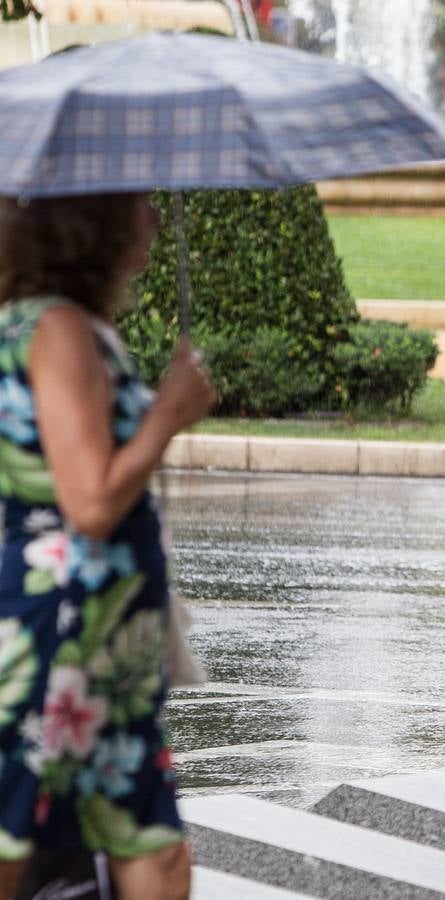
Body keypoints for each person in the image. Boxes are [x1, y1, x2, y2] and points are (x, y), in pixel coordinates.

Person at [0, 193, 216, 900]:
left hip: (105, 649)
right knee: (13, 838)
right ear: (92, 226)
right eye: (137, 205)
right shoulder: (57, 328)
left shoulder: (75, 327)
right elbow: (89, 503)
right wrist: (167, 414)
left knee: (155, 854)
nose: (153, 218)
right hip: (61, 640)